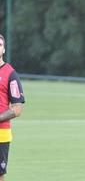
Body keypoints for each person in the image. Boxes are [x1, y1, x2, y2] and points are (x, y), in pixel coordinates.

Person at [0, 34, 25, 181]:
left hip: (1, 133)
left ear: (4, 50)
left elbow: (17, 109)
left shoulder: (10, 74)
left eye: (0, 45)